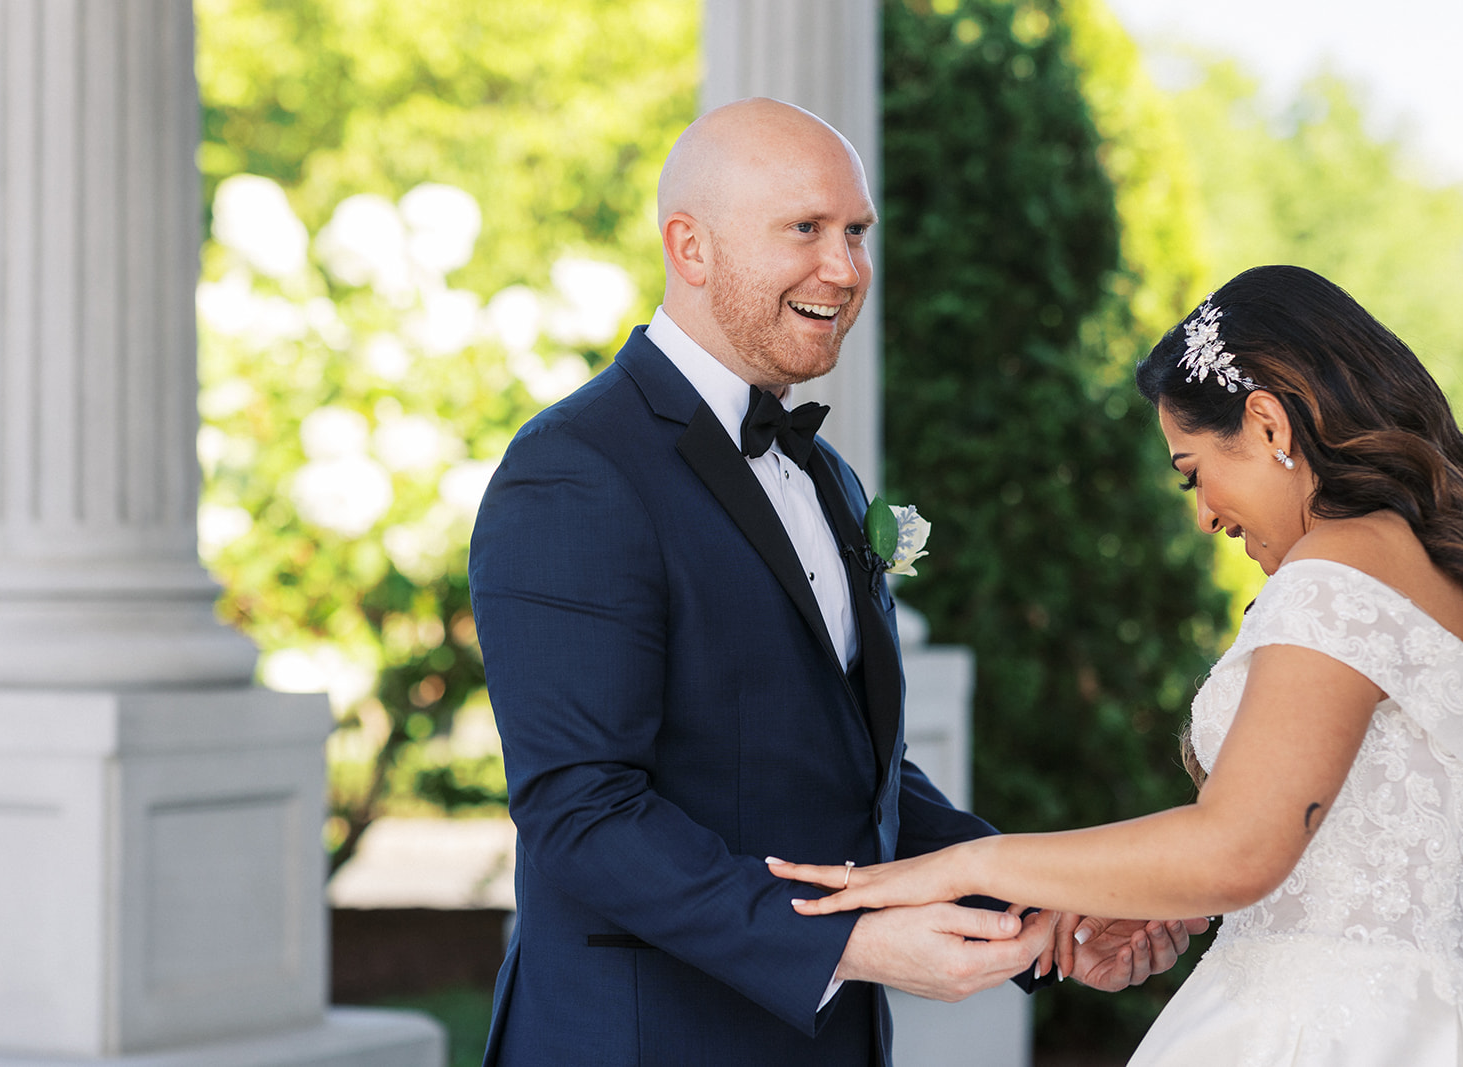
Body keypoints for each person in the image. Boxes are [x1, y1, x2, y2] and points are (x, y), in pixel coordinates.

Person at [467, 96, 1201, 1066]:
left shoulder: (828, 477)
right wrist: (847, 940)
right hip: (642, 1037)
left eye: (856, 232)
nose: (845, 269)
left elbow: (858, 776)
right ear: (689, 248)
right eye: (804, 230)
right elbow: (581, 809)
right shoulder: (574, 469)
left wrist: (1042, 907)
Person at [770, 264, 1463, 1064]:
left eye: (1195, 471)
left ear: (1269, 424)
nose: (1204, 515)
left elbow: (1236, 850)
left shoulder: (1337, 568)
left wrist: (964, 862)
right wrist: (1165, 894)